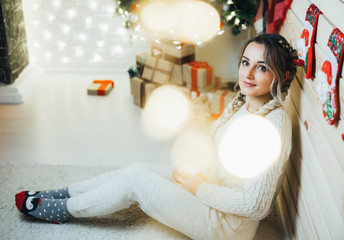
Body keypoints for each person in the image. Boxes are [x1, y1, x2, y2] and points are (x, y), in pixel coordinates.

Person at [15, 33, 298, 240]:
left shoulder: (274, 124)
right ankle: (67, 193)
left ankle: (64, 209)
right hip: (212, 195)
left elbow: (255, 205)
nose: (248, 73)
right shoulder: (244, 105)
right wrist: (197, 173)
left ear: (283, 76)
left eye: (262, 67)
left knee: (137, 182)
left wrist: (199, 188)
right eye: (246, 62)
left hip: (226, 226)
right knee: (138, 169)